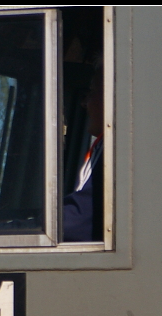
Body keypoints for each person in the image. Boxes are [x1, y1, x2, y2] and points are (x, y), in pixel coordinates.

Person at [63, 65, 104, 242]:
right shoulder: (103, 145)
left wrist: (26, 228)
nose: (84, 103)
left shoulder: (117, 149)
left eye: (92, 92)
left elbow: (79, 222)